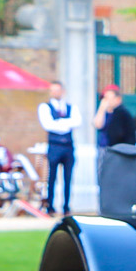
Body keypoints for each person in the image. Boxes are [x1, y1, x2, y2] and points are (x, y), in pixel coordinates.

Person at [37, 81, 79, 215]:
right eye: (53, 90)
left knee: (68, 177)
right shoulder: (45, 107)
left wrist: (59, 123)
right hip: (54, 146)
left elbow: (77, 122)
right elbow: (48, 125)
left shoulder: (71, 107)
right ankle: (50, 206)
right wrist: (66, 124)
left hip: (68, 146)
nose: (55, 93)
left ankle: (66, 206)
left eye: (58, 90)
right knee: (52, 177)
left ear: (63, 91)